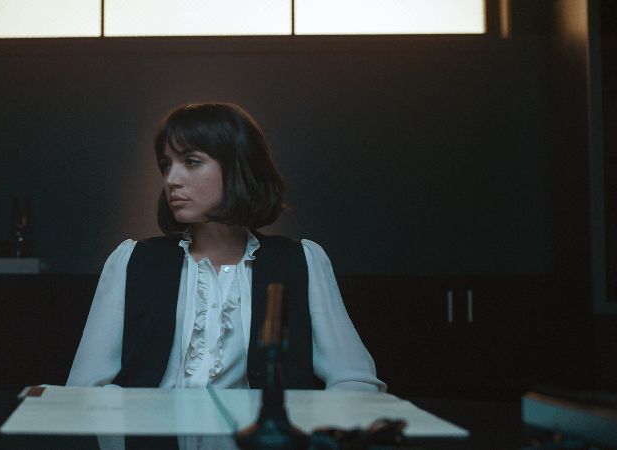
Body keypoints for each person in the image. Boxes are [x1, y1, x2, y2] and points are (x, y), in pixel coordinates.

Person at [67, 103, 385, 392]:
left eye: (191, 161)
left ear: (238, 166)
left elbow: (355, 380)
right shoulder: (132, 260)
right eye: (166, 165)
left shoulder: (301, 261)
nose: (171, 179)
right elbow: (84, 387)